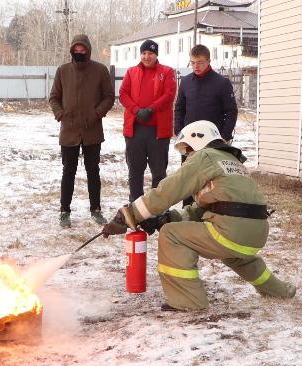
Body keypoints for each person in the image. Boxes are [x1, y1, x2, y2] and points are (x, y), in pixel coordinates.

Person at [102, 120, 296, 311]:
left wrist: (128, 215)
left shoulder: (204, 157)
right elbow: (212, 208)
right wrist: (167, 218)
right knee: (236, 255)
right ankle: (279, 291)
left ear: (198, 139)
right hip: (255, 234)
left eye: (187, 148)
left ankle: (188, 300)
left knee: (171, 234)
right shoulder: (231, 162)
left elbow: (167, 191)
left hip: (231, 229)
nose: (187, 155)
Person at [49, 34, 115, 227]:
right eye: (76, 50)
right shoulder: (63, 71)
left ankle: (96, 209)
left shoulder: (100, 70)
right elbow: (53, 97)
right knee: (68, 171)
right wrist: (60, 114)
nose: (79, 52)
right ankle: (64, 211)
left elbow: (109, 97)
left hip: (92, 131)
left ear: (88, 49)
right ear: (72, 50)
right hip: (69, 131)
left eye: (82, 49)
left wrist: (97, 114)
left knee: (93, 171)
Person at [175, 44, 238, 206]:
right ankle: (186, 211)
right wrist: (179, 130)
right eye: (193, 62)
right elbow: (179, 108)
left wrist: (224, 136)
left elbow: (231, 111)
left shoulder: (221, 83)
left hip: (213, 142)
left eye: (200, 62)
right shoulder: (186, 82)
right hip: (189, 141)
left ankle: (209, 212)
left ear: (209, 61)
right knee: (187, 178)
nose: (196, 66)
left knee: (210, 180)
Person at [119, 39, 177, 203]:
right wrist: (137, 110)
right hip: (135, 130)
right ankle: (135, 205)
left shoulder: (167, 72)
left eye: (150, 53)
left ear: (156, 55)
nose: (146, 56)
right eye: (144, 53)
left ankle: (156, 207)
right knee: (135, 170)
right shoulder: (132, 72)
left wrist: (151, 109)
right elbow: (123, 94)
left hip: (158, 131)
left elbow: (169, 95)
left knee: (158, 172)